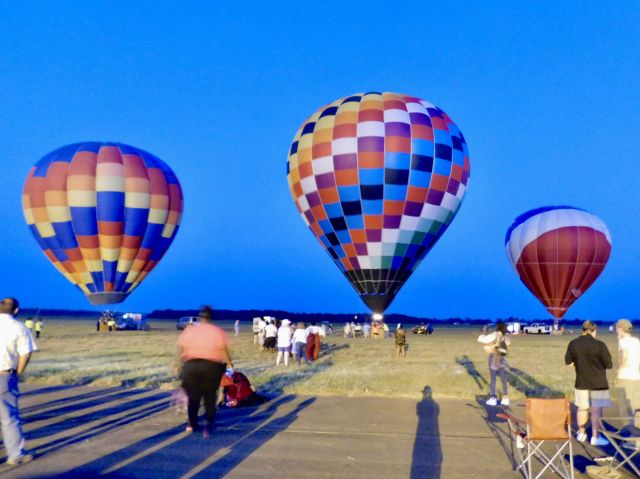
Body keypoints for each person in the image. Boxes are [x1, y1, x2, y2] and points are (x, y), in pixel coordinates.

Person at [177, 305, 233, 438]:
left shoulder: (190, 330)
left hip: (191, 366)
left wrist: (179, 364)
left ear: (200, 316)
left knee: (193, 397)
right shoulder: (217, 331)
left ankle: (192, 424)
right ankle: (208, 426)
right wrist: (230, 363)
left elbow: (182, 349)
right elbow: (222, 349)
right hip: (211, 366)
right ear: (211, 317)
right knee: (209, 397)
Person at [0, 297, 36, 466]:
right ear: (16, 311)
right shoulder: (19, 328)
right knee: (9, 418)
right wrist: (18, 372)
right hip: (4, 375)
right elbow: (26, 353)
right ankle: (15, 455)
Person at [565, 320, 613, 446]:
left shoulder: (574, 343)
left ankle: (581, 433)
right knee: (596, 410)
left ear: (582, 330)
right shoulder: (600, 345)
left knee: (582, 408)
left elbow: (568, 362)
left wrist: (578, 363)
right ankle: (595, 436)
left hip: (581, 381)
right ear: (594, 330)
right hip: (599, 383)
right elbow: (609, 364)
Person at [477, 321, 510, 406]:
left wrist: (484, 332)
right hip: (502, 357)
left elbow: (481, 340)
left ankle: (493, 398)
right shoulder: (505, 335)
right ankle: (505, 398)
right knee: (503, 378)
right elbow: (508, 343)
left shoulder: (495, 334)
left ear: (497, 327)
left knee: (493, 378)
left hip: (494, 357)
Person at [614, 319, 640, 421]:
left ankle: (628, 430)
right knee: (636, 404)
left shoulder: (622, 341)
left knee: (624, 406)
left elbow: (623, 356)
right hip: (636, 376)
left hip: (625, 376)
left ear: (620, 328)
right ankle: (638, 432)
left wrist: (618, 370)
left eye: (617, 327)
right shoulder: (636, 341)